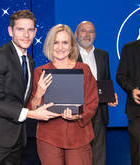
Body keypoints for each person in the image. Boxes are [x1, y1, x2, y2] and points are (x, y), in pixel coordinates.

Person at [0, 10, 60, 165]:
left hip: (16, 138)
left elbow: (19, 98)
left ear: (35, 32)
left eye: (30, 30)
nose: (26, 35)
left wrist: (39, 95)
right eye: (20, 29)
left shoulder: (29, 60)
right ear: (10, 31)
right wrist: (32, 114)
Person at [28, 24, 99, 165]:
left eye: (65, 42)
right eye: (56, 42)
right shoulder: (39, 72)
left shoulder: (84, 69)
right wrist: (38, 94)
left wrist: (78, 115)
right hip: (48, 136)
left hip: (79, 134)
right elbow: (31, 108)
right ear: (49, 45)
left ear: (72, 46)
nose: (60, 47)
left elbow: (92, 102)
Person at [75, 21, 118, 165]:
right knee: (79, 153)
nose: (87, 35)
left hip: (100, 109)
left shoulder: (103, 55)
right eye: (83, 31)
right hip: (78, 112)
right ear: (76, 34)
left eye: (91, 31)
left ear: (95, 35)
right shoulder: (69, 55)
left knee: (99, 153)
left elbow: (106, 80)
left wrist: (111, 95)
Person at [116, 11, 140, 165]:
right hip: (139, 114)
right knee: (138, 160)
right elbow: (121, 76)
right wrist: (132, 90)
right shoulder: (129, 49)